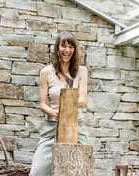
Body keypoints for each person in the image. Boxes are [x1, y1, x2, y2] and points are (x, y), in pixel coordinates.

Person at [29, 31, 88, 176]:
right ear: (57, 48)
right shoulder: (46, 72)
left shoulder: (82, 71)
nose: (67, 50)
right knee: (37, 172)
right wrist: (55, 113)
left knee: (81, 171)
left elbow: (82, 101)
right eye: (63, 46)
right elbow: (43, 104)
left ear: (74, 50)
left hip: (76, 127)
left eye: (71, 46)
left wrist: (66, 108)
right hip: (52, 127)